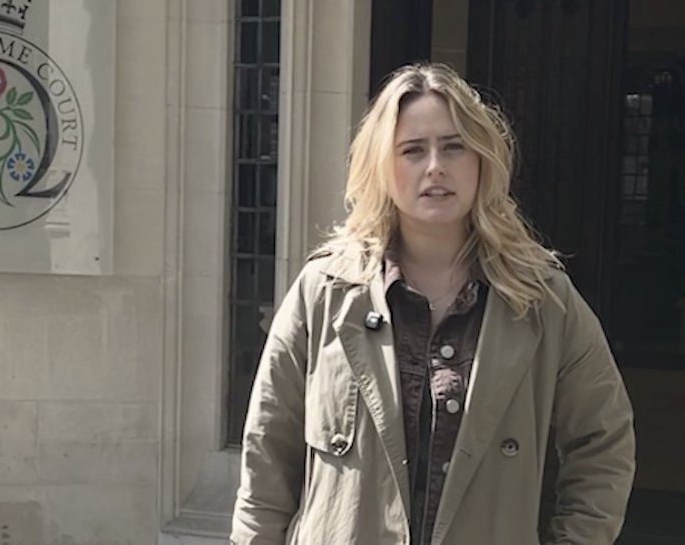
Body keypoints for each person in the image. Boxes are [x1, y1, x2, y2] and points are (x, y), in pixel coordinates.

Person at [230, 63, 636, 545]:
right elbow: (267, 454)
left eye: (453, 146)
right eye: (413, 150)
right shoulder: (324, 291)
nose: (435, 166)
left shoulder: (542, 300)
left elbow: (604, 442)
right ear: (382, 166)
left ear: (481, 159)